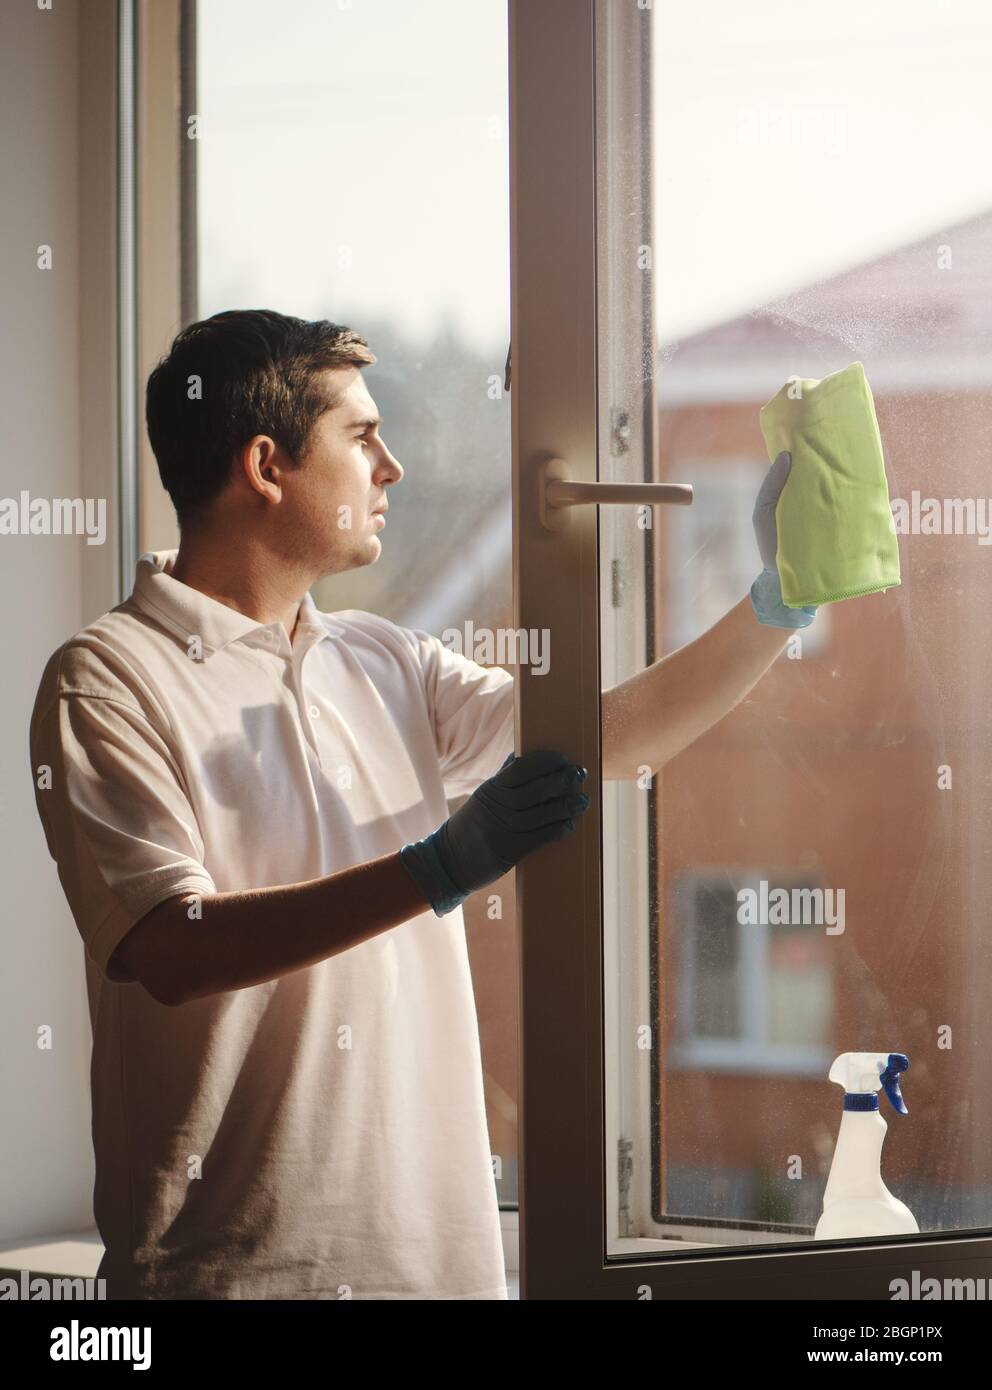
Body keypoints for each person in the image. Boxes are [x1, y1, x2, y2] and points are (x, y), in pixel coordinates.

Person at [28, 309, 813, 1301]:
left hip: (435, 1273)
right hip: (227, 1280)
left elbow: (605, 738)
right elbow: (173, 948)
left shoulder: (383, 658)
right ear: (267, 466)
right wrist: (435, 869)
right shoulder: (108, 678)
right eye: (361, 437)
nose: (391, 467)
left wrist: (772, 604)